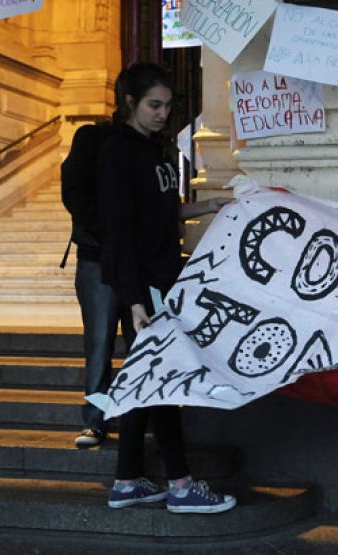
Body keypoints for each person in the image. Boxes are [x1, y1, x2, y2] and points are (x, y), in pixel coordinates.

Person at [97, 62, 233, 513]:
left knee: (149, 381)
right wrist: (134, 299)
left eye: (168, 106)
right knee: (163, 381)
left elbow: (160, 215)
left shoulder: (157, 149)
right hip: (143, 290)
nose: (162, 114)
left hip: (164, 281)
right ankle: (179, 485)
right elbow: (119, 233)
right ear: (130, 103)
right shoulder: (118, 152)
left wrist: (206, 206)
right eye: (154, 105)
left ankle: (127, 480)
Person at [62, 117, 123, 449]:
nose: (160, 115)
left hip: (130, 259)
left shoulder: (148, 146)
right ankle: (95, 420)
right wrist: (107, 232)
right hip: (99, 256)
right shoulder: (93, 139)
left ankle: (135, 414)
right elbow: (74, 192)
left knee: (141, 343)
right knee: (99, 343)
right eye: (154, 105)